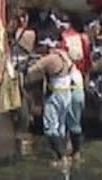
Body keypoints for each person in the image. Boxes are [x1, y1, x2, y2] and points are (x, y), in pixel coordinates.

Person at [27, 36, 80, 167]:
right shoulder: (64, 55)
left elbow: (32, 70)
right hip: (66, 93)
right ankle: (64, 155)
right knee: (60, 126)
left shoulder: (50, 59)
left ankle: (61, 157)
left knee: (50, 127)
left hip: (56, 94)